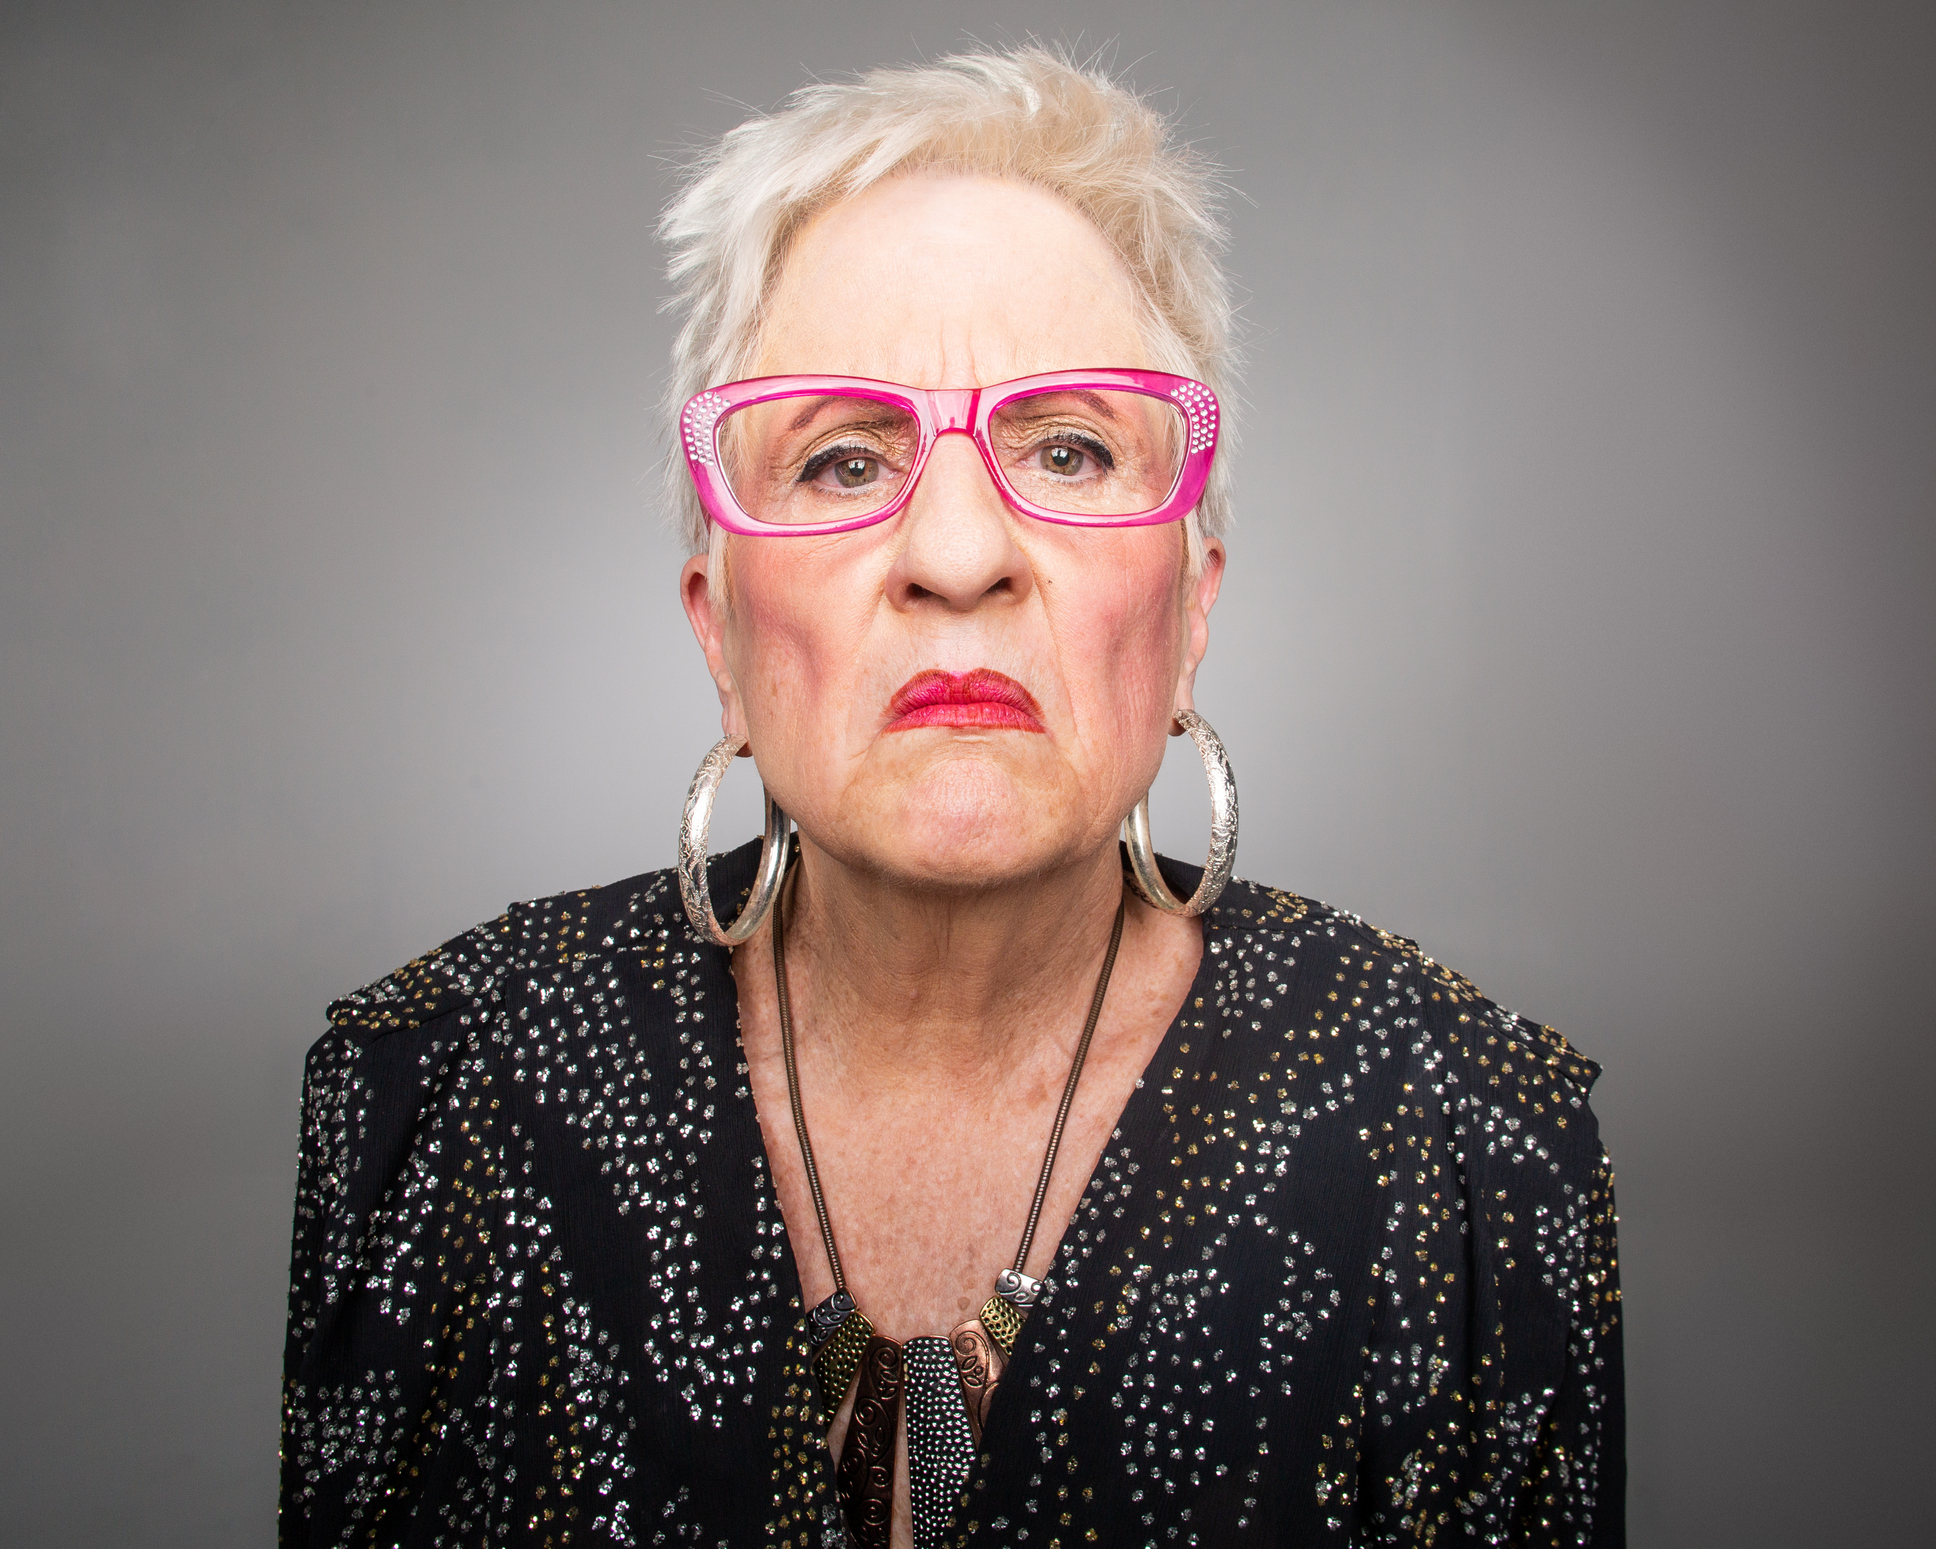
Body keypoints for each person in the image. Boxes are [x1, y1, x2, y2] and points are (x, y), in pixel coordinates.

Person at [279, 47, 1623, 1549]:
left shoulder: (1470, 1149)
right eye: (845, 460)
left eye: (1071, 447)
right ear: (720, 629)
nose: (959, 554)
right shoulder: (439, 1105)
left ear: (1191, 605)